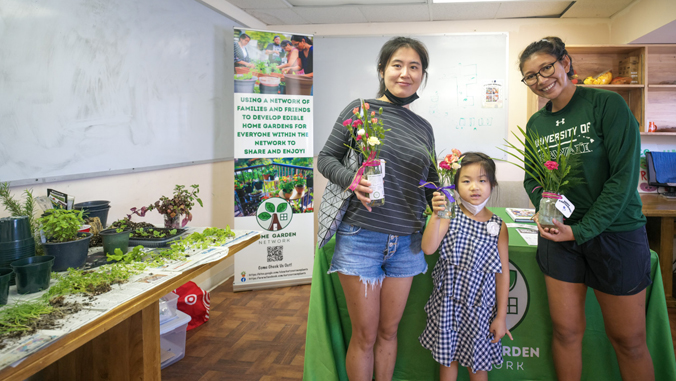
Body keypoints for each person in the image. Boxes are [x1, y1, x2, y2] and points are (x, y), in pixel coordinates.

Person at [519, 36, 654, 381]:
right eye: (530, 76)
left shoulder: (607, 105)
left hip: (615, 235)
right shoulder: (537, 124)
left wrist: (580, 230)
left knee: (629, 340)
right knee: (565, 333)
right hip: (559, 238)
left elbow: (623, 179)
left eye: (546, 67)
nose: (540, 79)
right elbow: (532, 180)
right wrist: (542, 210)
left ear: (565, 63)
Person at [317, 36, 437, 381]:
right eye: (397, 65)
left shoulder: (424, 128)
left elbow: (428, 183)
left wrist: (443, 197)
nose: (405, 73)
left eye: (414, 67)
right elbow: (326, 158)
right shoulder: (359, 109)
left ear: (422, 75)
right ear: (382, 70)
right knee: (366, 335)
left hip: (407, 243)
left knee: (388, 332)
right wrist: (351, 180)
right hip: (361, 238)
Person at [419, 152, 512, 381]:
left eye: (482, 180)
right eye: (466, 180)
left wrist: (501, 316)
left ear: (492, 185)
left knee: (478, 366)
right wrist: (436, 215)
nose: (474, 187)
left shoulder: (498, 226)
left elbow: (503, 274)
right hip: (448, 304)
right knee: (447, 359)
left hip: (481, 309)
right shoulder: (450, 215)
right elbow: (428, 248)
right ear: (455, 184)